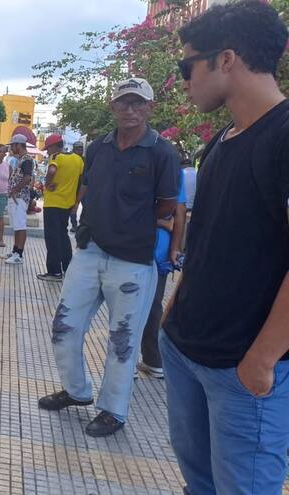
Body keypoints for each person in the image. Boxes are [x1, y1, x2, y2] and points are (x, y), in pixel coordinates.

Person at [161, 3, 289, 492]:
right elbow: (211, 235)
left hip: (243, 368)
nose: (183, 81)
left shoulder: (283, 136)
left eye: (187, 66)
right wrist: (174, 309)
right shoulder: (222, 140)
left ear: (227, 59)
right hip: (186, 349)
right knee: (200, 484)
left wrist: (261, 360)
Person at [37, 77, 179, 437]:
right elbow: (87, 187)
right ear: (112, 106)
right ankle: (76, 390)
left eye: (138, 103)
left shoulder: (161, 152)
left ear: (149, 107)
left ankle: (113, 410)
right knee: (64, 326)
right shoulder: (98, 147)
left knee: (122, 340)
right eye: (123, 102)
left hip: (133, 260)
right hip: (91, 250)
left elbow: (167, 205)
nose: (130, 110)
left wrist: (136, 227)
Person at [137, 172, 187, 379]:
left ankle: (127, 362)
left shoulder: (138, 166)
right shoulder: (175, 172)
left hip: (136, 245)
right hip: (162, 249)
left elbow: (131, 209)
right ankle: (153, 359)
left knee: (130, 303)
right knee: (153, 304)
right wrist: (175, 248)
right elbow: (180, 213)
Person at [37, 134, 84, 282]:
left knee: (52, 238)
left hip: (53, 203)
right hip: (67, 204)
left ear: (54, 146)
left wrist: (47, 184)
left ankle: (54, 271)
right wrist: (76, 202)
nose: (47, 151)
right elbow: (83, 182)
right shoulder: (77, 159)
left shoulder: (56, 157)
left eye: (48, 148)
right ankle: (67, 268)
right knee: (63, 235)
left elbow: (51, 171)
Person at [3, 135, 35, 264]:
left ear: (18, 145)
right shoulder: (20, 159)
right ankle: (15, 250)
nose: (11, 147)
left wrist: (15, 190)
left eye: (12, 145)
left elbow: (27, 178)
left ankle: (19, 255)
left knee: (20, 226)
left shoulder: (26, 160)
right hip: (15, 197)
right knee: (16, 226)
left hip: (20, 197)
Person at [69, 141, 85, 232]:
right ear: (74, 149)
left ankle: (83, 225)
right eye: (78, 149)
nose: (80, 151)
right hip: (74, 187)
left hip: (84, 187)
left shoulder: (85, 160)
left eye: (81, 149)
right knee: (73, 207)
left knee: (86, 207)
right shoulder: (70, 159)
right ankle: (74, 225)